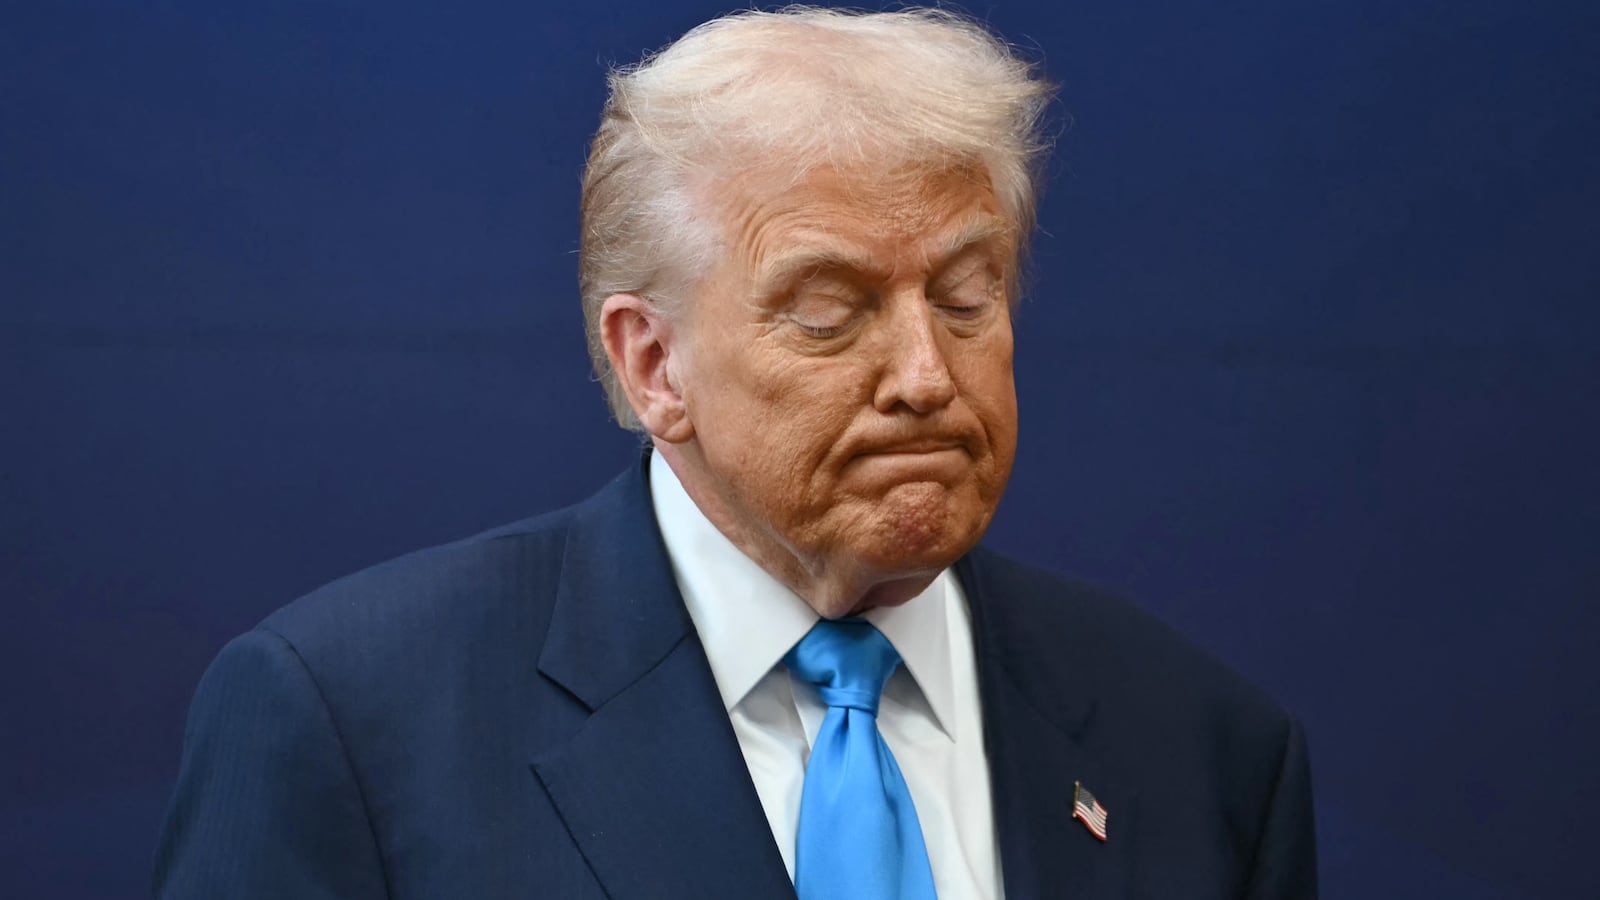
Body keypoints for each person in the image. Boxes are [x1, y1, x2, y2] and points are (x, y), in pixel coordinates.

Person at [154, 7, 1316, 899]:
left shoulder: (1203, 749)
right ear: (653, 364)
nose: (925, 374)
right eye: (829, 311)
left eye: (966, 298)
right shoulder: (354, 727)